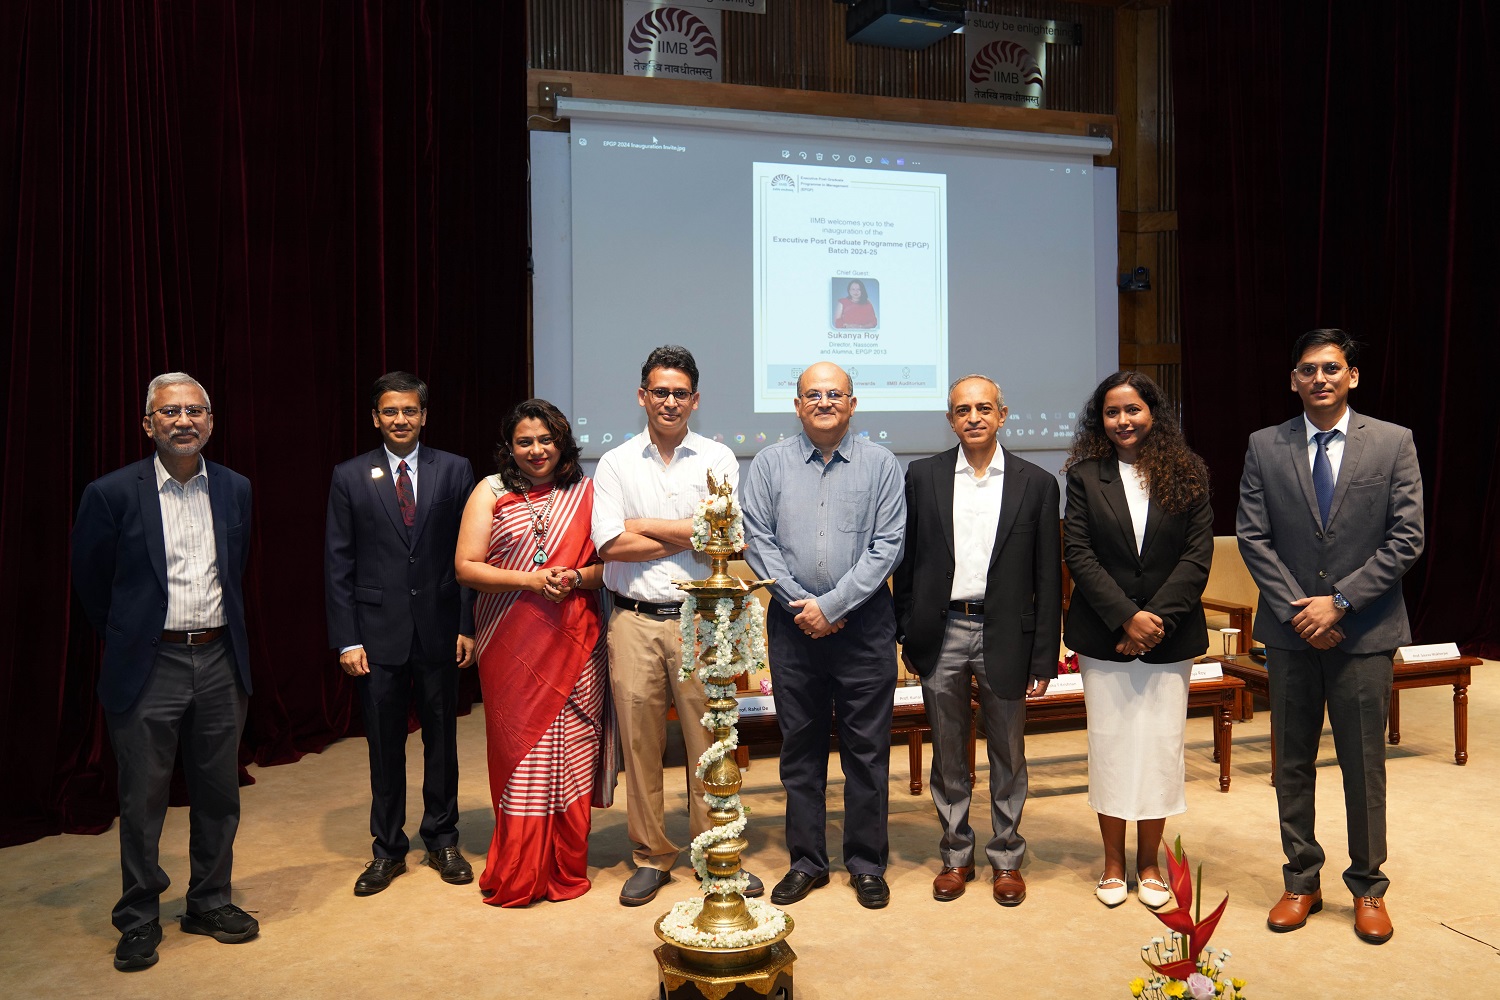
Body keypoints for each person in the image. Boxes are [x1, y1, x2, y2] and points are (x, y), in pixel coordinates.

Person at [1236, 329, 1424, 945]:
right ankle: (1301, 880)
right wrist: (1301, 613)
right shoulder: (1265, 446)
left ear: (1353, 376)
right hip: (1292, 637)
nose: (1320, 378)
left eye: (1332, 368)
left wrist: (1338, 603)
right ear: (1293, 379)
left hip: (1363, 633)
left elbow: (1406, 538)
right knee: (1291, 764)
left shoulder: (1393, 442)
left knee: (1363, 766)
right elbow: (1253, 538)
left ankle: (1368, 887)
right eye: (1308, 370)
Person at [71, 372, 259, 971]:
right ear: (148, 423)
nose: (184, 421)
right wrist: (134, 638)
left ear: (211, 421)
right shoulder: (111, 493)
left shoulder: (236, 488)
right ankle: (138, 916)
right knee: (143, 798)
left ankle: (208, 900)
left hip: (222, 657)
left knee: (218, 793)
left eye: (196, 411)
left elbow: (237, 569)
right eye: (170, 411)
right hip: (151, 663)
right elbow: (92, 585)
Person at [591, 345, 759, 905]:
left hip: (701, 622)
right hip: (634, 621)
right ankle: (652, 855)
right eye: (659, 392)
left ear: (695, 399)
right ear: (642, 396)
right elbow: (610, 543)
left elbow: (726, 537)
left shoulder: (718, 458)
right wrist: (685, 529)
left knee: (709, 742)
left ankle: (717, 849)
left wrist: (644, 524)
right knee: (639, 745)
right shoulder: (615, 463)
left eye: (679, 393)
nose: (669, 401)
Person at [742, 361, 906, 909]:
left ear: (853, 404)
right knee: (800, 752)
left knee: (867, 752)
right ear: (796, 405)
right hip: (793, 631)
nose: (824, 402)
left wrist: (832, 606)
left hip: (864, 629)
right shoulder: (768, 464)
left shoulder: (882, 464)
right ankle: (807, 862)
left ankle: (865, 863)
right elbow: (756, 540)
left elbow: (888, 545)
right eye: (813, 394)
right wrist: (802, 608)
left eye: (835, 393)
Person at [893, 375, 1061, 907]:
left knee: (1008, 751)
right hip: (942, 629)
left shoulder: (1036, 483)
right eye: (962, 409)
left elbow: (1048, 578)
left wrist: (1045, 655)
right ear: (949, 419)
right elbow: (908, 562)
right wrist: (907, 631)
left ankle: (1007, 857)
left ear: (1002, 414)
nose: (973, 417)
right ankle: (955, 854)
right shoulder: (923, 476)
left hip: (1006, 632)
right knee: (947, 752)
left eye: (983, 408)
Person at [1061, 371, 1213, 910]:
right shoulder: (1084, 476)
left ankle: (1148, 864)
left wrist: (1153, 623)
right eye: (1111, 412)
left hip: (1169, 639)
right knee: (1111, 747)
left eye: (1133, 410)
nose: (1122, 421)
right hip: (1105, 637)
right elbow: (1078, 554)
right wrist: (1127, 619)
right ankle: (1110, 864)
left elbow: (1197, 559)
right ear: (1099, 420)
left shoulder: (1188, 473)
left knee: (1160, 750)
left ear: (1154, 413)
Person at [324, 371, 477, 896]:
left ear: (424, 415)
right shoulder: (349, 476)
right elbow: (337, 563)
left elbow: (467, 556)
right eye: (390, 411)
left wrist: (465, 624)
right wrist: (347, 639)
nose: (400, 420)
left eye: (409, 411)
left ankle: (442, 838)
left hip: (439, 632)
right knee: (385, 747)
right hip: (376, 635)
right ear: (375, 417)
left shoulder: (455, 470)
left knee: (443, 742)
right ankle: (387, 850)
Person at [455, 398, 612, 906]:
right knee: (520, 751)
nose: (537, 450)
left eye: (546, 440)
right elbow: (466, 567)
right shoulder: (491, 490)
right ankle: (521, 865)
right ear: (509, 446)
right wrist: (532, 580)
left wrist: (574, 577)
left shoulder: (587, 493)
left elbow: (608, 568)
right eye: (525, 441)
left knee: (573, 751)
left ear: (563, 443)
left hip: (577, 640)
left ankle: (566, 862)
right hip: (510, 639)